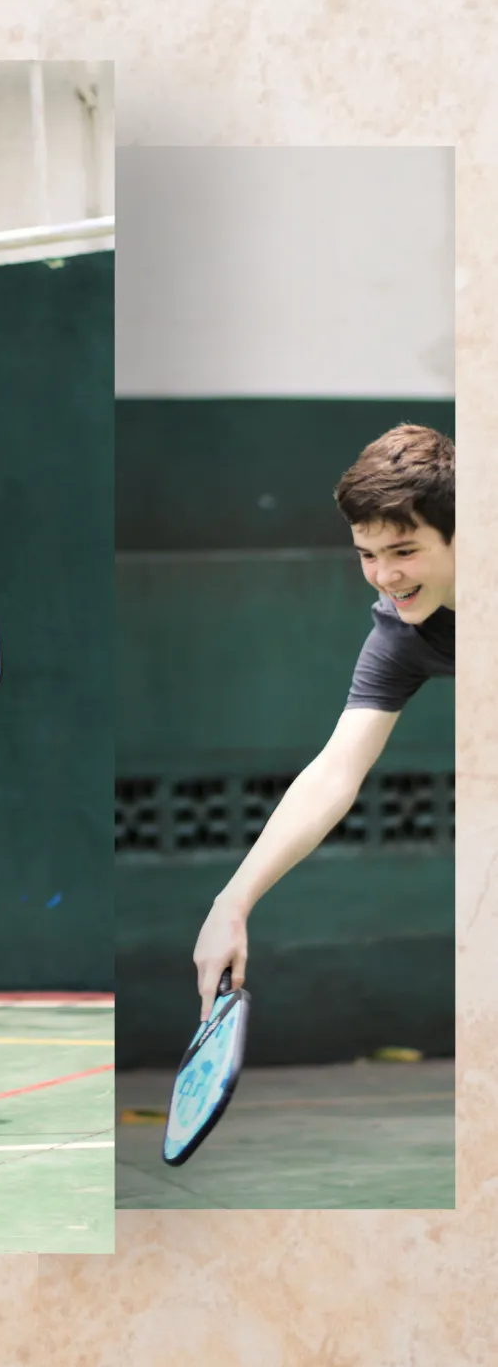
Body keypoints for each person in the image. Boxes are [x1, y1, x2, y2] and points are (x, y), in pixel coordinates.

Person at [191, 423, 454, 1019]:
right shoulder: (401, 636)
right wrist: (233, 901)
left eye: (405, 551)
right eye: (368, 555)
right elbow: (335, 771)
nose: (386, 577)